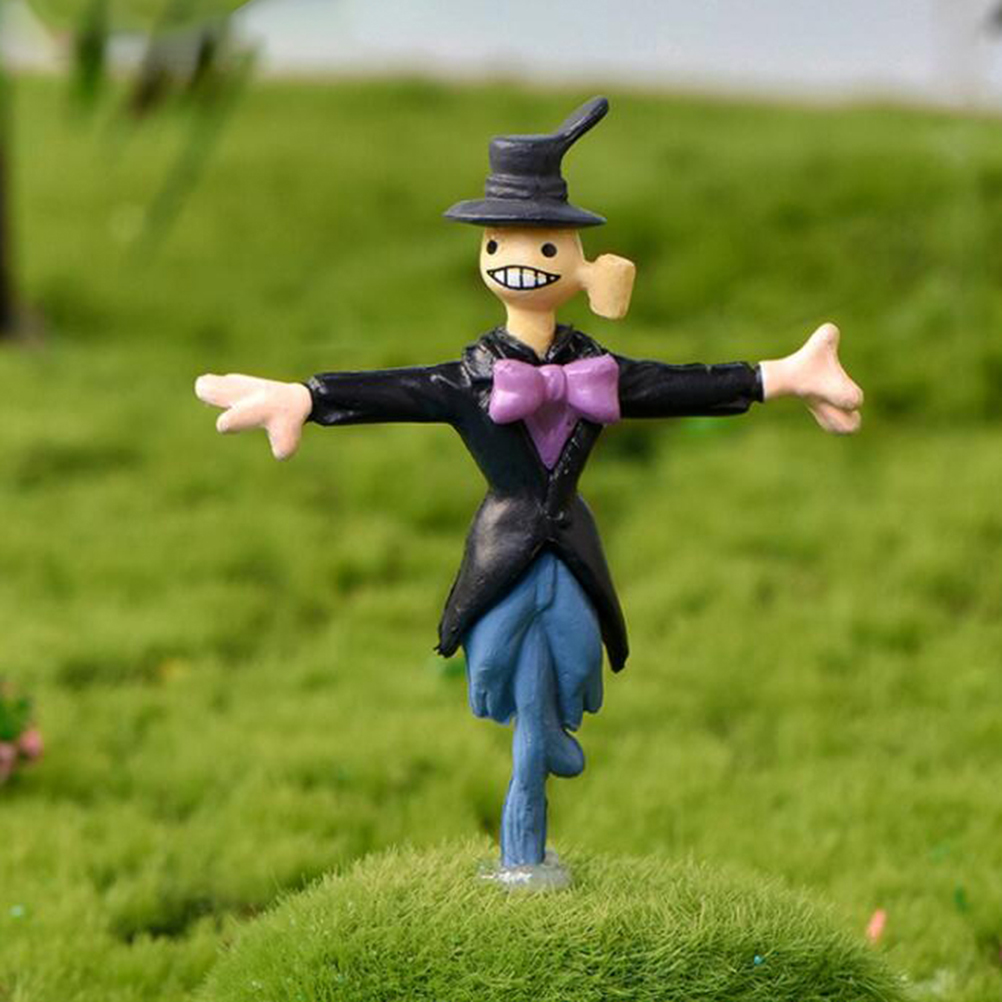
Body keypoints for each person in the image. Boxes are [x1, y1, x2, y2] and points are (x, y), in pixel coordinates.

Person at [195, 96, 862, 875]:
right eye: (497, 243)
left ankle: (542, 754)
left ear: (582, 263)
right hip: (503, 552)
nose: (517, 259)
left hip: (571, 551)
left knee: (577, 668)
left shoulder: (598, 372)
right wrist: (305, 397)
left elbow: (681, 383)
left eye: (544, 245)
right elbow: (395, 389)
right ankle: (534, 759)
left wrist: (781, 376)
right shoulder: (470, 378)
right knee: (492, 677)